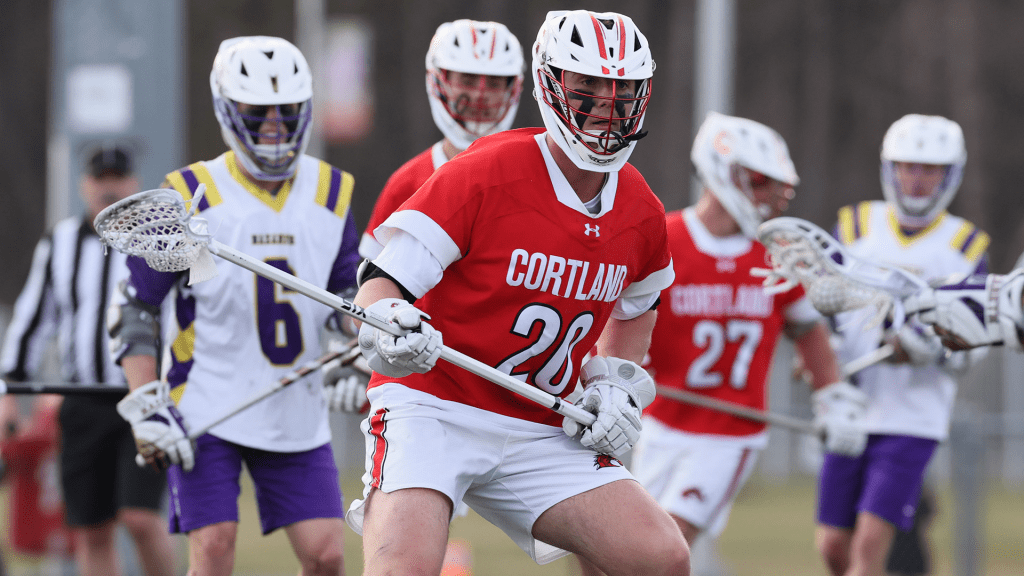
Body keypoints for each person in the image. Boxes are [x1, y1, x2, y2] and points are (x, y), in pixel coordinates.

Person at [346, 9, 690, 575]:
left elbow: (638, 306)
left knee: (661, 557)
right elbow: (380, 282)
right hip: (437, 407)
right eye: (588, 87)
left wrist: (613, 384)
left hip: (543, 421)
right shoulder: (486, 171)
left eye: (622, 91)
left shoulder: (640, 208)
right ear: (551, 85)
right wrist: (387, 324)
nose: (607, 107)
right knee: (399, 569)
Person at [111, 36, 359, 576]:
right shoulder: (190, 194)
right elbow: (135, 307)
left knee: (326, 555)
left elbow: (346, 296)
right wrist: (145, 404)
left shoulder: (330, 190)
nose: (273, 126)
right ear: (227, 110)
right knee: (214, 547)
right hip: (207, 403)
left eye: (285, 111)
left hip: (294, 403)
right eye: (257, 112)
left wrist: (355, 350)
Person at [628, 112, 868, 558]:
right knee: (610, 547)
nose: (769, 198)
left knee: (664, 548)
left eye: (774, 187)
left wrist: (832, 396)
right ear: (722, 172)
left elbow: (808, 329)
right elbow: (621, 315)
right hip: (660, 422)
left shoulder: (778, 255)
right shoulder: (666, 238)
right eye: (759, 182)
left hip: (730, 432)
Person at [817, 114, 989, 576]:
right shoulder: (854, 226)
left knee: (870, 546)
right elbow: (823, 309)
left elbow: (975, 343)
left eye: (929, 169)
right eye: (908, 166)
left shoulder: (965, 246)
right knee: (832, 546)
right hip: (850, 406)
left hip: (913, 416)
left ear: (950, 175)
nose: (916, 179)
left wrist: (933, 348)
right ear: (889, 168)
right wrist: (819, 354)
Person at [0, 146, 177, 576]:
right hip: (82, 399)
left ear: (133, 184)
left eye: (118, 178)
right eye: (100, 178)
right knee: (91, 528)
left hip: (144, 397)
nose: (108, 188)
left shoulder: (157, 241)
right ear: (85, 185)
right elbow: (33, 320)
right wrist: (9, 390)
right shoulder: (59, 242)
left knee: (141, 518)